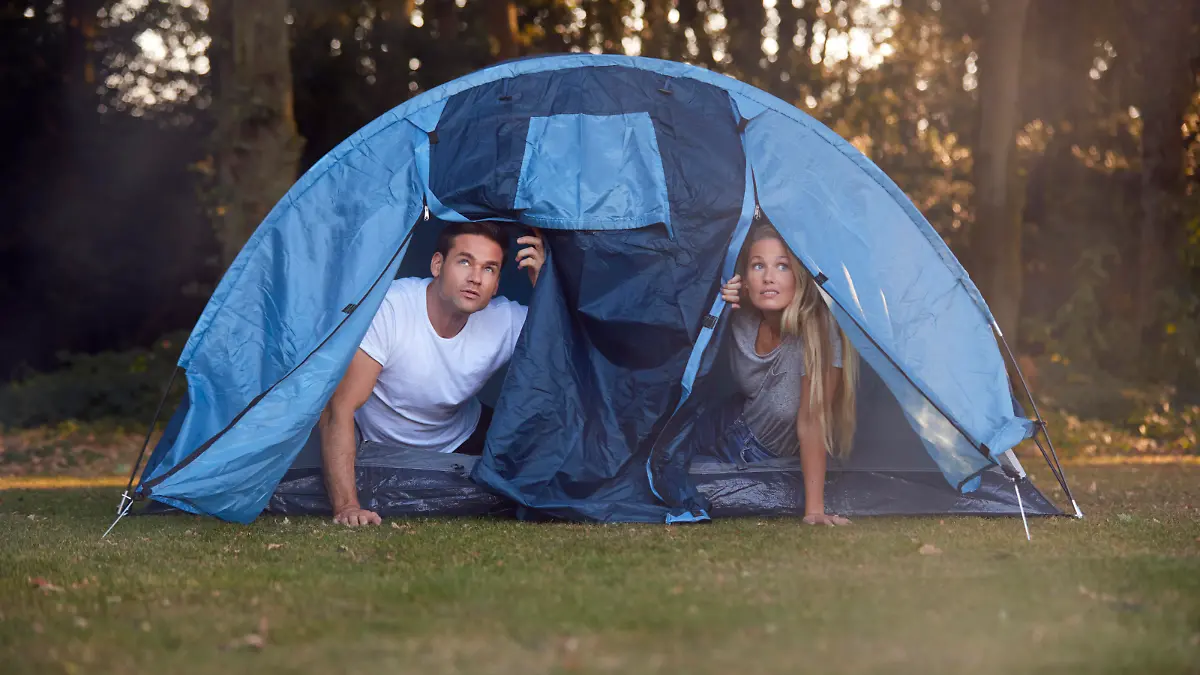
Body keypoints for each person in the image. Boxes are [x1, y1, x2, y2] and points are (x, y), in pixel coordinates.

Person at [319, 221, 545, 526]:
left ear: (496, 284)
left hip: (463, 437)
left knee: (543, 448)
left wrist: (543, 286)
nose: (475, 278)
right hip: (383, 446)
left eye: (489, 269)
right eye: (465, 262)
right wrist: (347, 506)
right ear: (437, 265)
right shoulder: (392, 308)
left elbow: (567, 351)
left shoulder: (503, 320)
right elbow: (339, 408)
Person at [717, 221, 859, 526]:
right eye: (758, 266)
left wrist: (814, 511)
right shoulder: (739, 311)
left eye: (782, 266)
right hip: (726, 421)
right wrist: (714, 299)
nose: (768, 277)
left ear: (800, 276)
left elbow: (812, 421)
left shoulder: (819, 332)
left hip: (755, 448)